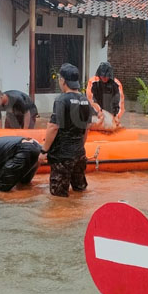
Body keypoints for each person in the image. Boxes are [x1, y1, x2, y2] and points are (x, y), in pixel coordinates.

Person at [39, 63, 92, 197]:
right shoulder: (85, 101)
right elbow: (87, 129)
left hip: (62, 157)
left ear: (63, 81)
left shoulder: (61, 100)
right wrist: (79, 147)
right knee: (80, 192)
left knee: (58, 198)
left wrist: (44, 150)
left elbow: (53, 127)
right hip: (79, 154)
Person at [86, 61, 125, 127]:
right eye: (102, 76)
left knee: (113, 126)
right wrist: (98, 111)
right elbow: (90, 99)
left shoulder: (116, 84)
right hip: (95, 111)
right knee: (90, 124)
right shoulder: (92, 82)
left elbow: (120, 102)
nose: (104, 78)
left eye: (106, 76)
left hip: (110, 113)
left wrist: (116, 116)